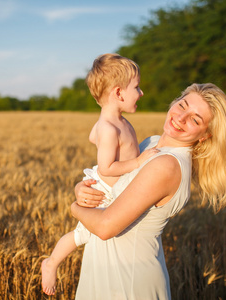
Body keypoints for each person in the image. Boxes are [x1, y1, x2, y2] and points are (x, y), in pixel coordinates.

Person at [71, 83, 226, 299]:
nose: (181, 118)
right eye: (183, 105)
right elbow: (109, 181)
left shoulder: (168, 165)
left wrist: (74, 207)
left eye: (195, 120)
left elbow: (105, 227)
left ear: (205, 135)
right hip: (105, 267)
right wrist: (82, 189)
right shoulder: (151, 144)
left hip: (127, 280)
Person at [41, 53, 158, 296]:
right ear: (118, 93)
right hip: (105, 192)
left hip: (112, 185)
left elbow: (91, 138)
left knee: (82, 234)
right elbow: (106, 168)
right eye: (137, 87)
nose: (141, 93)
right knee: (80, 235)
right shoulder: (109, 127)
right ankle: (51, 262)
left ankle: (52, 261)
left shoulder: (115, 122)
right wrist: (137, 161)